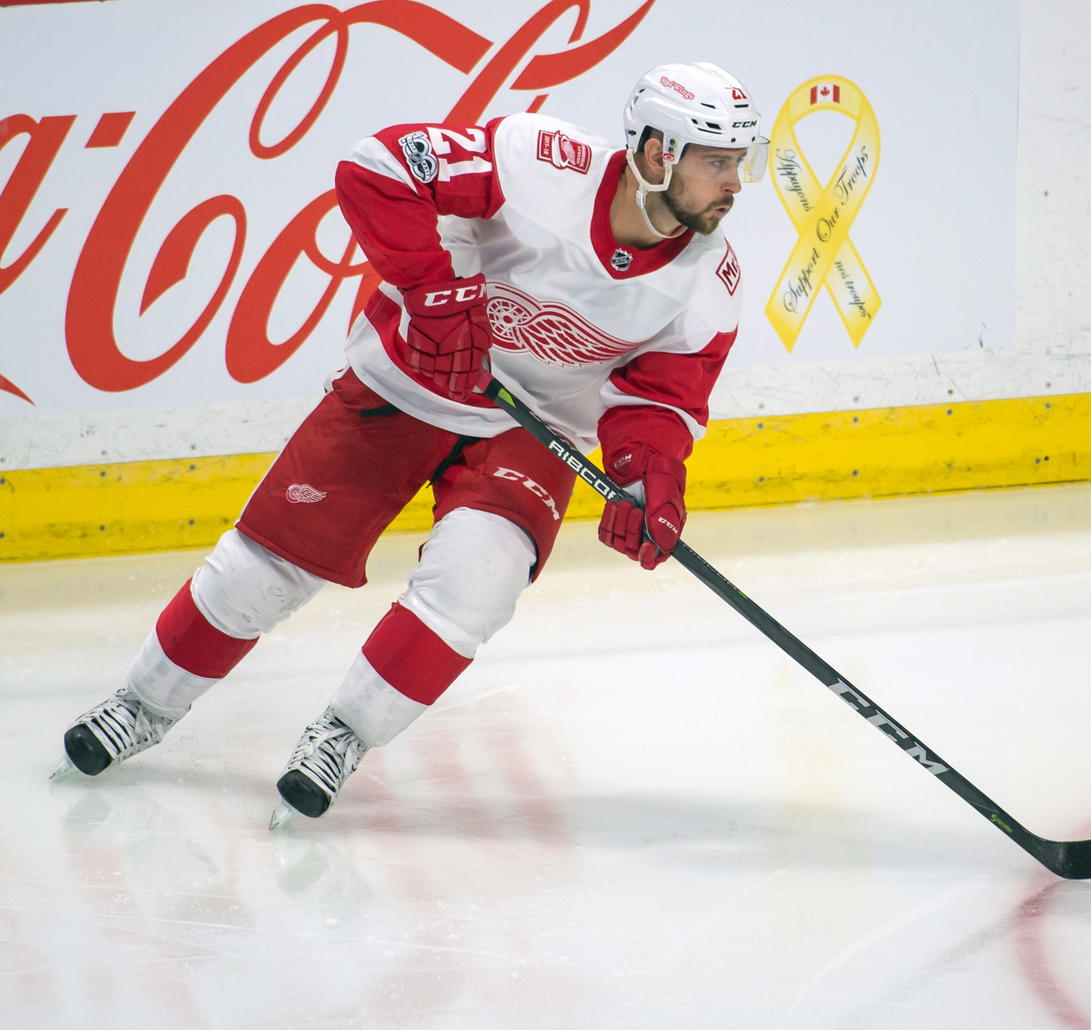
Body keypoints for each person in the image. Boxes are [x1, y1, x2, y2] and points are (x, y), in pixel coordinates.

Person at [53, 61, 767, 826]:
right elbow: (378, 168)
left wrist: (648, 477)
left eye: (738, 162)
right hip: (406, 384)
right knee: (262, 570)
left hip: (534, 431)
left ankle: (342, 734)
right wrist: (433, 295)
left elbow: (659, 399)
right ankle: (143, 705)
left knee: (477, 586)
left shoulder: (708, 284)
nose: (734, 183)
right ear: (658, 154)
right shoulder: (537, 160)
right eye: (716, 162)